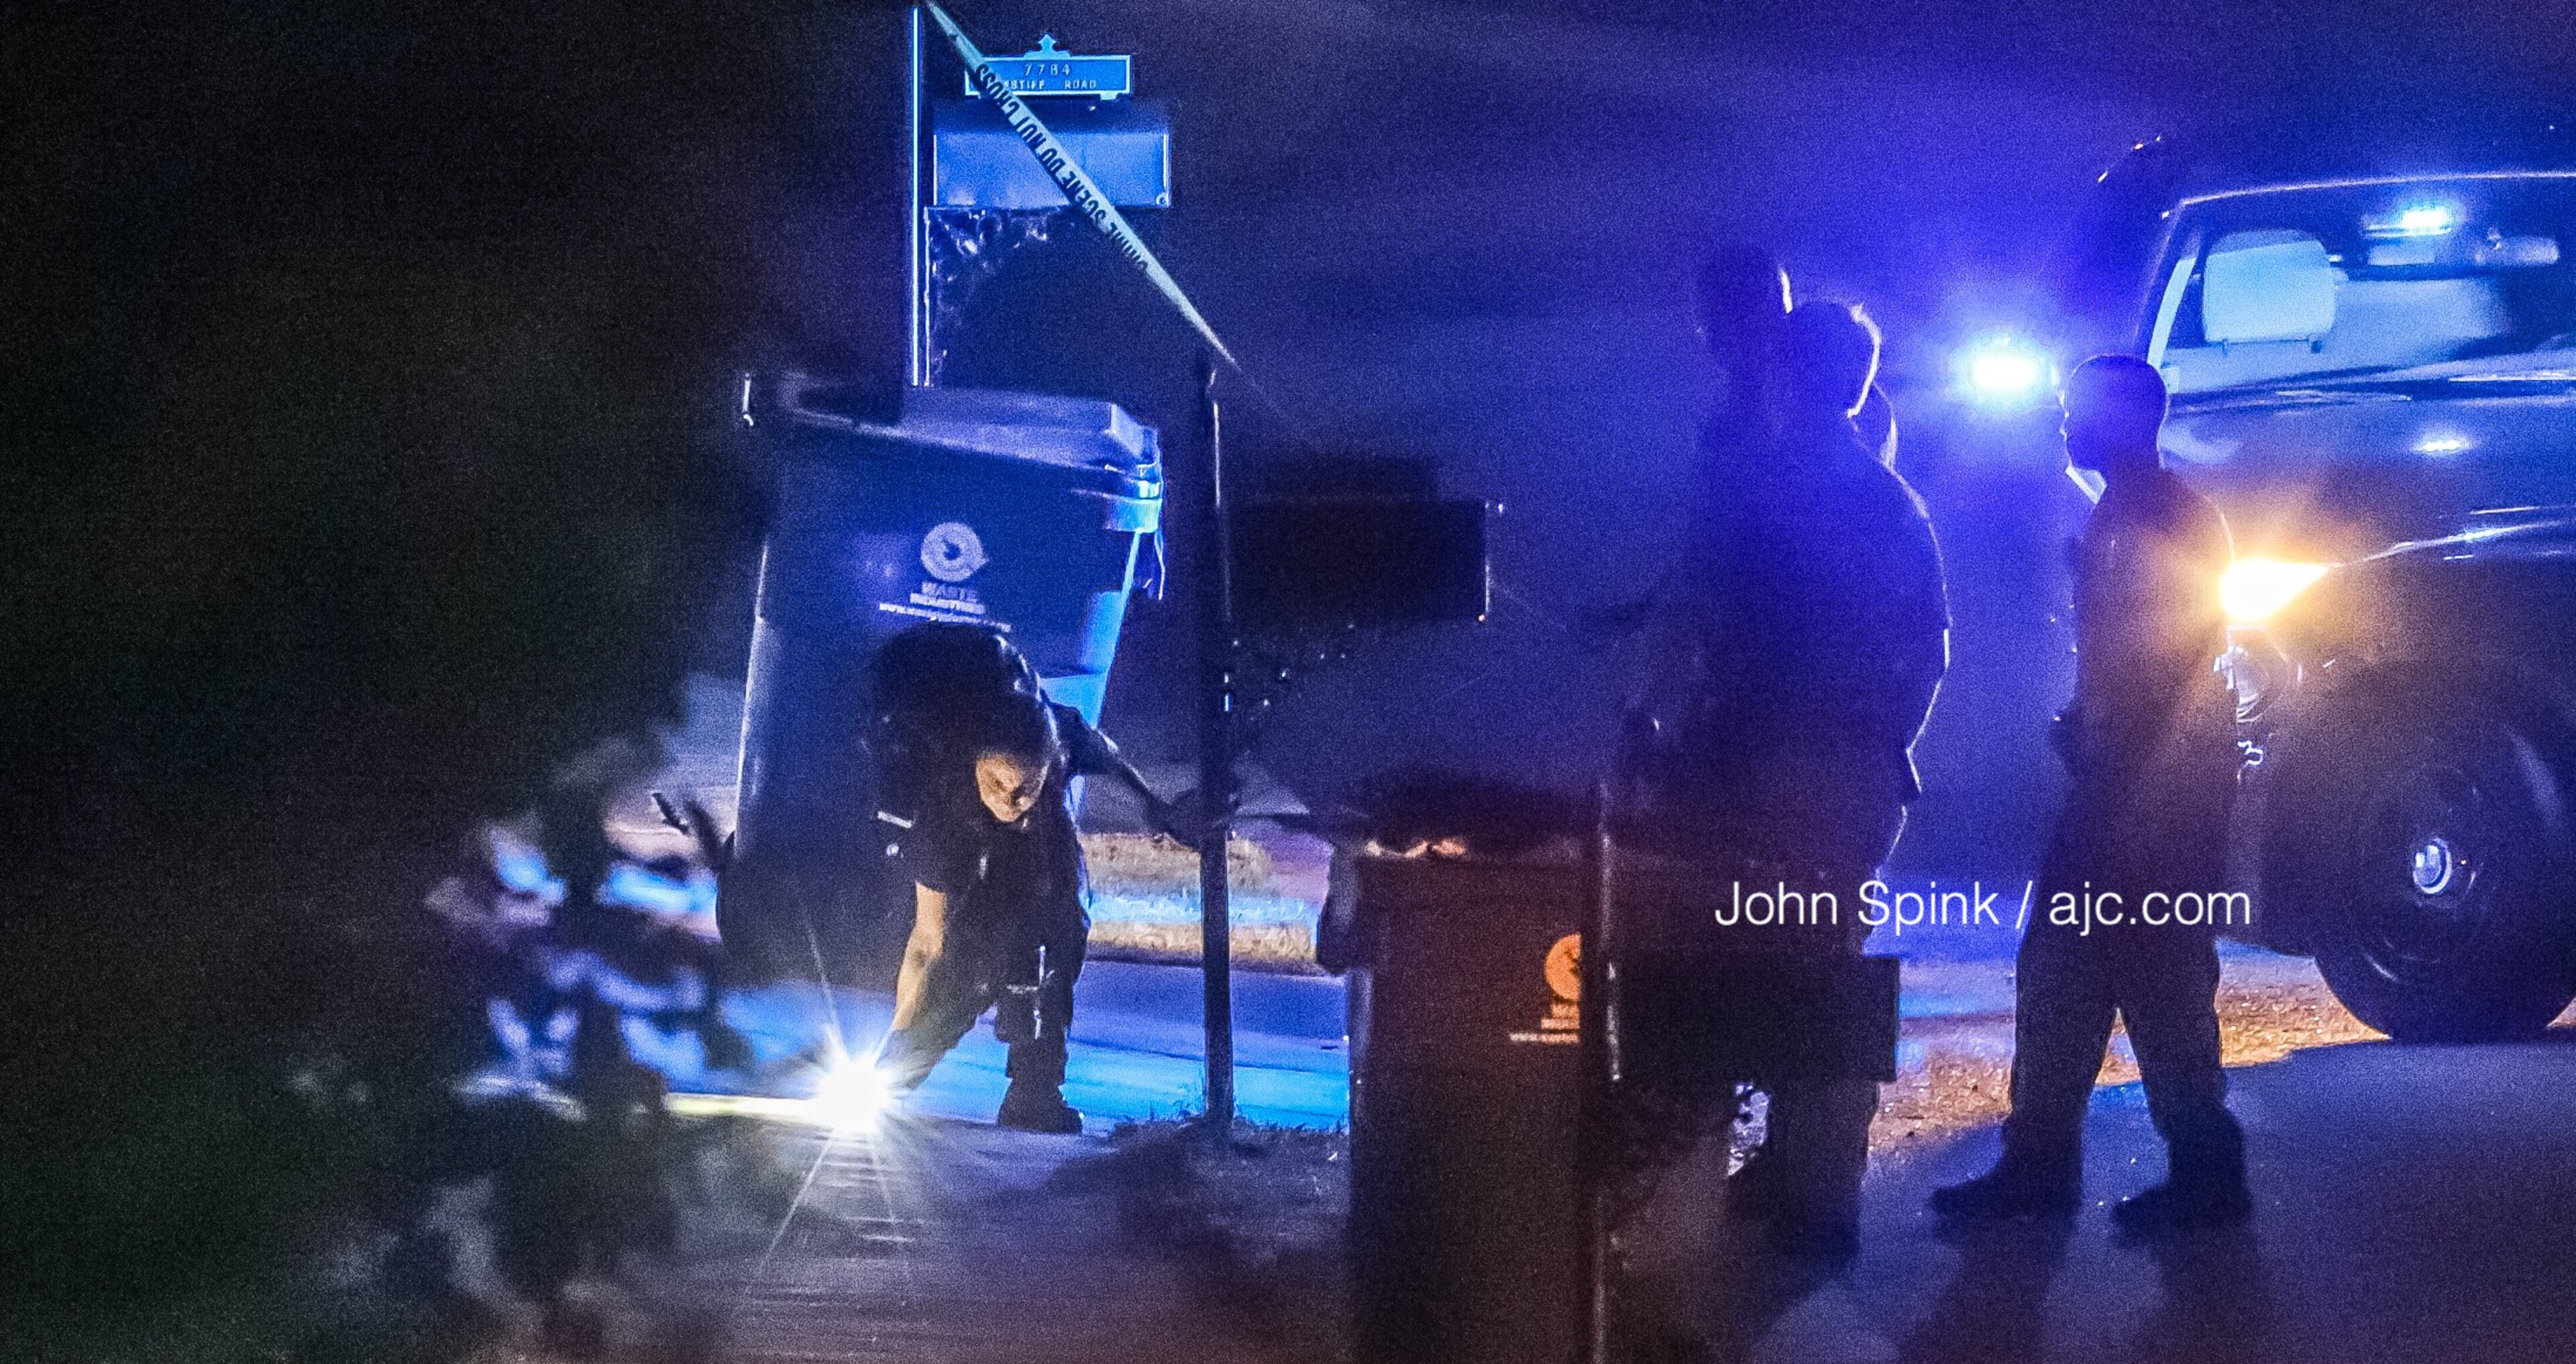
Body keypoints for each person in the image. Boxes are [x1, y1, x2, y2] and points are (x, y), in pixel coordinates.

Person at [1623, 299, 1949, 1261]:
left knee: (1717, 968)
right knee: (1825, 980)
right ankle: (1818, 1196)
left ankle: (1685, 1185)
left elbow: (1695, 623)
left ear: (1786, 376)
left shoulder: (1756, 496)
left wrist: (1649, 725)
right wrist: (1886, 748)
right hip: (1851, 777)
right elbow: (1928, 652)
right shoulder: (1891, 501)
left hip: (1754, 770)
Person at [1930, 355, 2250, 1235]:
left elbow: (2166, 658)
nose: (2065, 422)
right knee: (2114, 971)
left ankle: (2093, 1167)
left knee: (2131, 972)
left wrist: (2109, 746)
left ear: (2123, 418)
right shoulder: (2144, 509)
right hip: (2142, 785)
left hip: (2146, 794)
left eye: (2078, 409)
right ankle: (2142, 1165)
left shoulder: (2151, 515)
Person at [870, 624, 1167, 1133]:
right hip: (965, 837)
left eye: (1024, 784)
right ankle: (896, 1076)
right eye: (997, 782)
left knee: (1062, 932)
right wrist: (897, 1040)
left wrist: (1156, 806)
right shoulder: (942, 811)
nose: (1010, 798)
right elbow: (928, 940)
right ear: (975, 766)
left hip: (1042, 846)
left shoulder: (1063, 740)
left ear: (1052, 768)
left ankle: (1035, 1090)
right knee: (970, 961)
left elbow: (1111, 757)